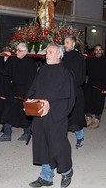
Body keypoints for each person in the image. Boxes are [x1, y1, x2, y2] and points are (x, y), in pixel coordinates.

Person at [26, 43, 75, 188]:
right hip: (40, 114)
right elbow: (34, 88)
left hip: (56, 116)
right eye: (47, 52)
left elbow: (69, 98)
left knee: (58, 146)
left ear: (59, 55)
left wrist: (50, 104)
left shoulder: (65, 73)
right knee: (42, 145)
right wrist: (30, 99)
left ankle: (67, 171)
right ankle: (46, 176)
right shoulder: (42, 70)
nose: (48, 55)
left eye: (51, 52)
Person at [0, 43, 38, 142]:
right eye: (16, 50)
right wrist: (5, 61)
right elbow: (5, 72)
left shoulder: (31, 64)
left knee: (23, 114)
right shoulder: (13, 61)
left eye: (19, 51)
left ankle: (27, 133)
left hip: (24, 92)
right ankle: (7, 134)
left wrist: (29, 95)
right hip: (13, 90)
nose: (17, 52)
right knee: (7, 112)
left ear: (25, 52)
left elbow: (32, 80)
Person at [63, 35, 86, 149]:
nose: (65, 45)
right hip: (63, 92)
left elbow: (81, 77)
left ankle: (80, 137)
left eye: (67, 42)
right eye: (64, 42)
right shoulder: (61, 56)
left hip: (75, 91)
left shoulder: (79, 57)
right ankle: (61, 142)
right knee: (62, 119)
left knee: (75, 119)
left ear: (73, 44)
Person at [84, 44, 106, 129]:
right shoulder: (90, 60)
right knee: (88, 101)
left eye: (100, 50)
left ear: (102, 51)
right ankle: (88, 118)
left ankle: (97, 120)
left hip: (101, 85)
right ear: (94, 51)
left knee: (98, 102)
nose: (98, 51)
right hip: (91, 83)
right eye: (97, 50)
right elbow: (84, 69)